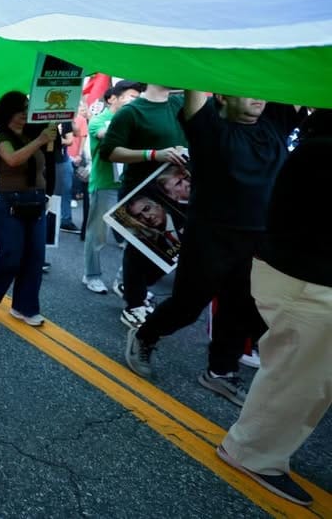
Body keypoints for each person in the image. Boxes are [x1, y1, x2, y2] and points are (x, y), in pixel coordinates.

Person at [125, 91, 303, 405]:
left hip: (258, 240)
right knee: (187, 306)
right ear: (222, 96)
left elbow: (296, 85)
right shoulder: (209, 129)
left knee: (241, 309)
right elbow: (196, 88)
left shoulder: (275, 122)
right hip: (210, 237)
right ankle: (144, 335)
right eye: (248, 92)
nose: (259, 98)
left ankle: (220, 371)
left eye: (263, 92)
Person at [215, 110, 331, 507]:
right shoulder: (320, 151)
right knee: (300, 376)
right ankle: (252, 452)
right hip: (306, 279)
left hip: (301, 274)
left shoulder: (311, 147)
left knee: (302, 373)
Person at [101, 84, 187, 329]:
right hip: (142, 191)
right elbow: (109, 151)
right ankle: (134, 305)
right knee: (140, 247)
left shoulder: (180, 104)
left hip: (174, 190)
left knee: (171, 249)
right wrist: (153, 155)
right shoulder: (132, 112)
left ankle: (132, 284)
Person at [0, 91, 55, 326]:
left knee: (35, 257)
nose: (26, 114)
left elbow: (47, 163)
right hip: (8, 203)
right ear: (9, 113)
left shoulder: (34, 133)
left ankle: (25, 307)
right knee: (11, 255)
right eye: (22, 110)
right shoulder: (2, 137)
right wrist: (40, 141)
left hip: (36, 202)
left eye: (28, 109)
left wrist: (50, 133)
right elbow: (12, 160)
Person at [82, 82, 141, 293]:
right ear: (112, 98)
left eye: (138, 97)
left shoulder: (135, 120)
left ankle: (125, 280)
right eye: (132, 97)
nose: (136, 101)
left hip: (128, 187)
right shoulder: (99, 121)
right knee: (97, 234)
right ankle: (92, 275)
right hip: (105, 185)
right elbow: (105, 135)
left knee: (134, 236)